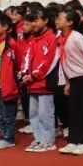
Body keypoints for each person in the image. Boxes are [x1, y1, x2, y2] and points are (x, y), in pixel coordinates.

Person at [58, 10, 83, 156]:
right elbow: (65, 62)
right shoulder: (62, 38)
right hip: (74, 78)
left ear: (70, 22)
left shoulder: (77, 37)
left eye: (60, 18)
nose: (56, 20)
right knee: (75, 111)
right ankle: (74, 140)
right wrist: (68, 82)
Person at [19, 9, 59, 152]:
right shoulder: (32, 39)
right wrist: (24, 73)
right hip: (31, 83)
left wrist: (34, 75)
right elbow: (26, 57)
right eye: (32, 21)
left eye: (36, 20)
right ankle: (39, 139)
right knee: (34, 114)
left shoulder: (51, 38)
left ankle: (48, 141)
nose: (33, 24)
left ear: (46, 21)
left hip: (44, 82)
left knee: (45, 113)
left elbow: (48, 61)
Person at [0, 14, 18, 150]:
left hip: (7, 85)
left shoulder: (11, 44)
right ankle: (3, 135)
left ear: (5, 27)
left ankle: (9, 138)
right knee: (0, 114)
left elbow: (19, 63)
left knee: (8, 114)